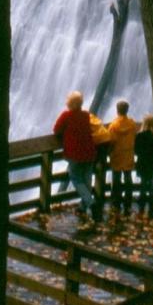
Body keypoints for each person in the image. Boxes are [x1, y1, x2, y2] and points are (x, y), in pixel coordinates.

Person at [53, 91, 98, 222]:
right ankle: (83, 207)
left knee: (76, 179)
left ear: (70, 103)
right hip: (89, 152)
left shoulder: (66, 115)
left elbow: (56, 130)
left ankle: (91, 203)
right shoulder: (85, 115)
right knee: (87, 180)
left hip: (75, 153)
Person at [107, 100, 137, 213]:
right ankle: (128, 199)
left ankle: (116, 201)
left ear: (117, 110)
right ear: (127, 110)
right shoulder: (132, 124)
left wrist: (108, 153)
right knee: (128, 177)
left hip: (117, 154)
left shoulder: (113, 126)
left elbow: (110, 141)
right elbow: (134, 136)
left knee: (116, 178)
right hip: (128, 153)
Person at [134, 114, 153, 216]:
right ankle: (152, 197)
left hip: (142, 161)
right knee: (151, 179)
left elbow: (136, 150)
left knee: (143, 180)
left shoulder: (140, 135)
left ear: (144, 123)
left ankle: (142, 197)